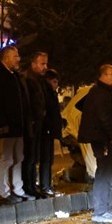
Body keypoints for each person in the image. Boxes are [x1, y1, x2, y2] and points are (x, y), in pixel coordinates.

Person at [78, 64, 112, 224]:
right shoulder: (100, 94)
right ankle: (101, 211)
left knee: (107, 172)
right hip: (103, 139)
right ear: (103, 76)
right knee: (104, 173)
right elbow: (104, 117)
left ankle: (104, 208)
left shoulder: (103, 92)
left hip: (104, 138)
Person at [0, 45, 34, 203]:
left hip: (18, 126)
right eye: (15, 56)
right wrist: (2, 125)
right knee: (6, 158)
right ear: (6, 58)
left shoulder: (15, 76)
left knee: (18, 157)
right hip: (6, 128)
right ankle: (3, 191)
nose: (18, 59)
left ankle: (17, 189)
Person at [21, 52, 49, 198]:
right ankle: (28, 186)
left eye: (46, 63)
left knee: (34, 157)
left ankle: (32, 185)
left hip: (37, 124)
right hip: (31, 125)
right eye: (42, 63)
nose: (45, 67)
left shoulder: (38, 80)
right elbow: (29, 103)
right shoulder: (28, 80)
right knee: (29, 157)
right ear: (33, 64)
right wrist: (32, 120)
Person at [38, 68, 64, 197]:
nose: (56, 85)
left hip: (49, 131)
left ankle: (47, 185)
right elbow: (48, 113)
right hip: (45, 131)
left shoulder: (51, 94)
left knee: (48, 160)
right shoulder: (46, 94)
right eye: (54, 81)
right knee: (46, 160)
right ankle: (45, 186)